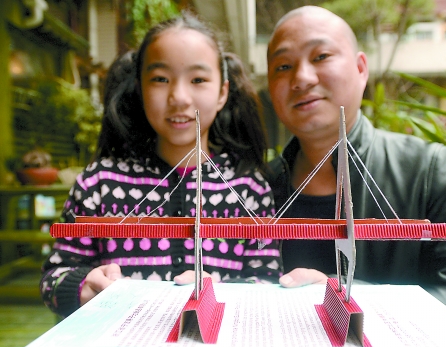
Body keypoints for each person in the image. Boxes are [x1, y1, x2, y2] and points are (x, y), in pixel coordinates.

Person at [41, 11, 282, 318]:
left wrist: (226, 295)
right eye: (160, 79)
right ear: (139, 88)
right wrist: (82, 286)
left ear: (222, 92)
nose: (179, 97)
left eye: (198, 79)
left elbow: (267, 282)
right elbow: (55, 276)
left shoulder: (248, 188)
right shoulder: (98, 184)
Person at [266, 6, 446, 328]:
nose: (301, 77)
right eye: (283, 66)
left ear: (360, 69)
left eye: (321, 56)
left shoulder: (428, 171)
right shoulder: (259, 184)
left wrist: (343, 298)